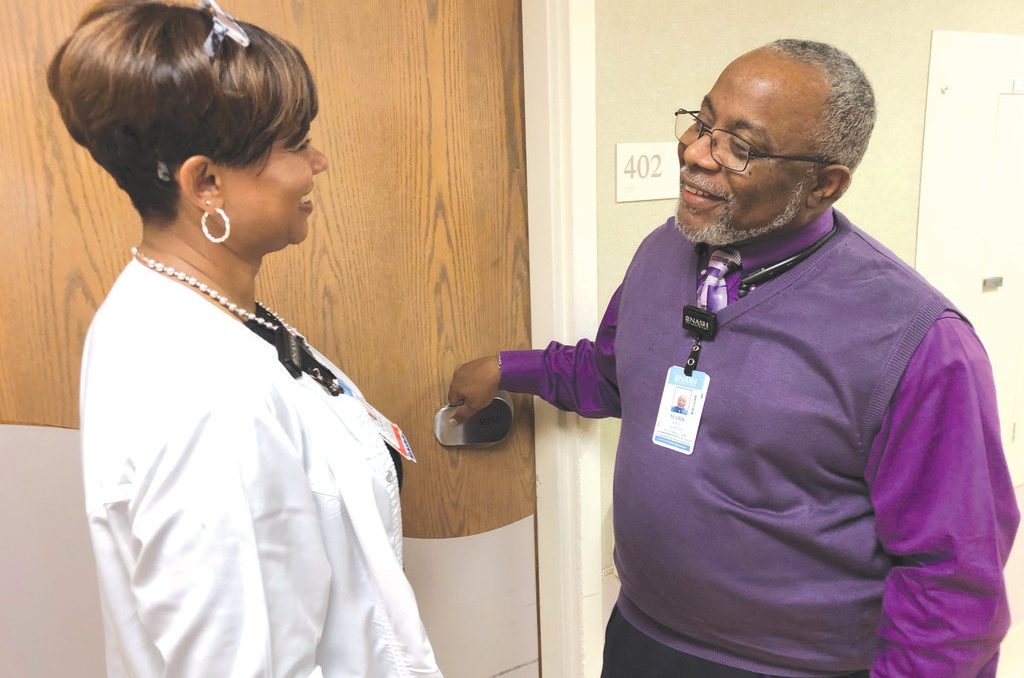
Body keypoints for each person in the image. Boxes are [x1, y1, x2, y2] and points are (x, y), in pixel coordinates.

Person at [448, 39, 1019, 677]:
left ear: (823, 185)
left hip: (794, 666)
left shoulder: (918, 341)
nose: (695, 153)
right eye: (701, 122)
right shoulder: (666, 250)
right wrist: (510, 368)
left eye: (740, 147)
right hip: (642, 636)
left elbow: (952, 583)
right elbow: (615, 371)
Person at [49, 2, 440, 676]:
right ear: (206, 183)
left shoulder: (178, 302)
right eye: (294, 142)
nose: (317, 162)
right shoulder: (210, 399)